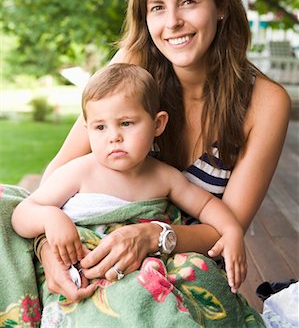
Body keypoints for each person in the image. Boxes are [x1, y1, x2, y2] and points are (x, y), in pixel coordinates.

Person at [0, 0, 290, 327]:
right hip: (90, 234)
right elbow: (57, 177)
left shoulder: (265, 102)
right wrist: (46, 246)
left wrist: (152, 237)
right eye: (157, 7)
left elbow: (223, 230)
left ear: (221, 5)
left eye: (188, 2)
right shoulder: (134, 68)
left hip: (182, 261)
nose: (172, 23)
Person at [12, 63, 247, 295]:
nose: (114, 137)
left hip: (143, 276)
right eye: (100, 127)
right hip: (87, 271)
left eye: (126, 123)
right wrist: (51, 217)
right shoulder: (80, 172)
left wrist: (231, 230)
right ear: (87, 129)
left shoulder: (164, 176)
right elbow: (23, 213)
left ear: (157, 124)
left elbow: (206, 205)